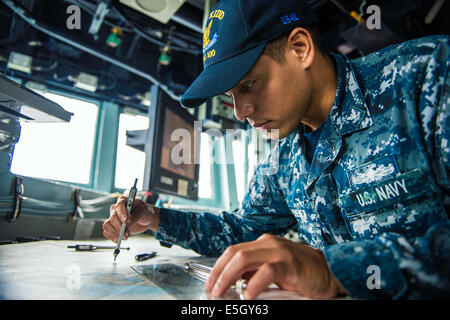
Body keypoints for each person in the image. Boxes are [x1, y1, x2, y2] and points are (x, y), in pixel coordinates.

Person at [103, 0, 450, 299]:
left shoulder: (429, 76)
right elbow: (241, 231)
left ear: (300, 48)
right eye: (231, 96)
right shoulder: (284, 160)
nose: (240, 112)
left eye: (249, 85)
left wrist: (335, 269)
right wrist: (157, 219)